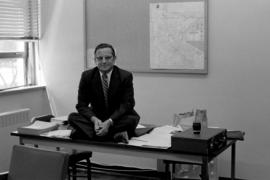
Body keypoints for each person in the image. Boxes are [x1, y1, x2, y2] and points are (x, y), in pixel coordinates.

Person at [68, 43, 140, 143]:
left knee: (132, 119)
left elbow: (127, 104)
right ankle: (114, 135)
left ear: (114, 59)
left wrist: (109, 121)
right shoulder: (87, 76)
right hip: (97, 117)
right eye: (100, 58)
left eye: (108, 58)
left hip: (116, 117)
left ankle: (91, 134)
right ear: (95, 60)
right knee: (72, 117)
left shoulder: (125, 76)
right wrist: (94, 120)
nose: (104, 61)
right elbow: (81, 105)